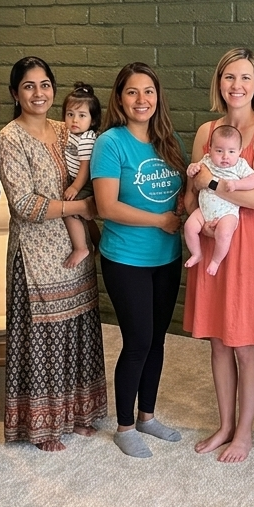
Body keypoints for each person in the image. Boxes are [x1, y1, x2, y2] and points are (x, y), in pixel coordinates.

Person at [0, 57, 107, 451]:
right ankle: (41, 427)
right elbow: (24, 203)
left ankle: (77, 415)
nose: (38, 93)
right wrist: (80, 207)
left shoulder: (67, 129)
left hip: (75, 253)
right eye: (28, 86)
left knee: (76, 332)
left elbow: (92, 168)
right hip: (36, 256)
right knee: (41, 341)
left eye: (44, 85)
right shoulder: (10, 137)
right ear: (15, 93)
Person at [184, 48, 254, 462]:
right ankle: (225, 424)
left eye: (244, 78)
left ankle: (244, 432)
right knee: (218, 341)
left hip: (245, 243)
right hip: (210, 237)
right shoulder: (206, 130)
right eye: (228, 77)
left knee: (244, 342)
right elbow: (191, 190)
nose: (236, 86)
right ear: (218, 83)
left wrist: (211, 186)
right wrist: (199, 213)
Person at [93, 62, 188, 459]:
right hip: (126, 258)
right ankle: (125, 425)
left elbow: (182, 192)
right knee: (138, 341)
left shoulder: (169, 141)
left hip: (166, 257)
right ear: (120, 98)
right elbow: (106, 206)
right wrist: (162, 220)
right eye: (132, 92)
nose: (141, 100)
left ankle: (147, 416)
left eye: (148, 91)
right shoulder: (110, 143)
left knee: (158, 340)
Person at [184, 124, 254, 276]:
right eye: (219, 151)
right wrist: (191, 169)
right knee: (189, 227)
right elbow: (193, 171)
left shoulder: (240, 165)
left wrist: (236, 184)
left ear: (240, 151)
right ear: (210, 149)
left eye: (231, 151)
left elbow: (253, 181)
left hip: (227, 212)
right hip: (204, 210)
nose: (225, 156)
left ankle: (216, 260)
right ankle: (197, 253)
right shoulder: (206, 160)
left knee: (224, 234)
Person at [61, 82, 102, 267]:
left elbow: (85, 168)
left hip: (84, 182)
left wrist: (75, 187)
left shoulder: (86, 139)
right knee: (85, 217)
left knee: (70, 210)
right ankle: (97, 241)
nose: (74, 120)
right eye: (70, 115)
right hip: (78, 179)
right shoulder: (72, 134)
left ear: (92, 120)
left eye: (81, 115)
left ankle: (81, 248)